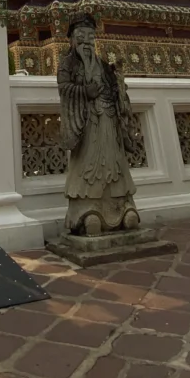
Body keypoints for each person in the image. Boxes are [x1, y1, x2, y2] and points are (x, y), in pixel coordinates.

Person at [57, 13, 140, 236]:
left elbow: (113, 90)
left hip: (108, 121)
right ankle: (86, 212)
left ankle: (123, 208)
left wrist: (118, 81)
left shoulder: (102, 65)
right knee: (89, 166)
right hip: (87, 123)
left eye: (90, 37)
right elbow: (64, 87)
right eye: (81, 37)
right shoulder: (67, 64)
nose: (86, 42)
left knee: (114, 163)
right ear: (72, 40)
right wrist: (85, 91)